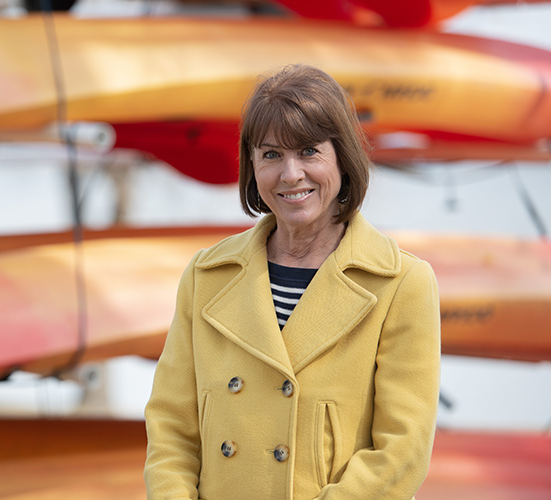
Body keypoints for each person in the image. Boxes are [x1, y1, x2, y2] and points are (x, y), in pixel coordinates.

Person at [143, 64, 441, 500]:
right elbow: (171, 430)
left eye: (308, 152)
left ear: (342, 157)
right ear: (252, 165)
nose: (290, 174)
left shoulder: (402, 284)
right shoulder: (206, 276)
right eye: (271, 155)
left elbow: (401, 453)